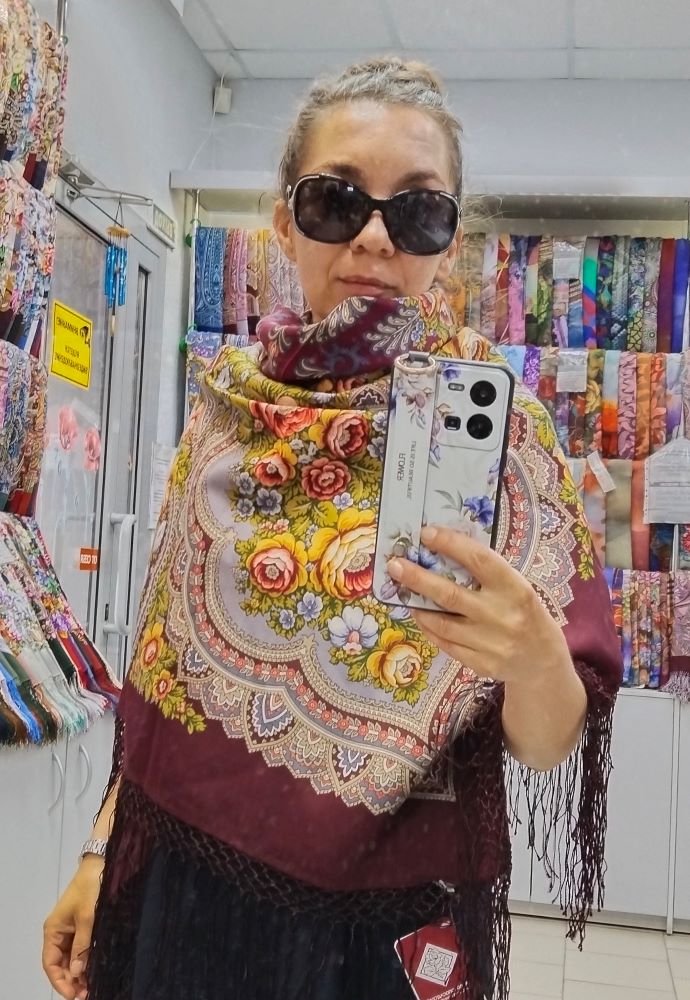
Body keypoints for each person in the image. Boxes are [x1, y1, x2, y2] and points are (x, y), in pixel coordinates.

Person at [43, 57, 622, 1000]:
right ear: (284, 221)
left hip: (388, 925)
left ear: (450, 243)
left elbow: (548, 741)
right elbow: (164, 679)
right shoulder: (223, 418)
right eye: (335, 201)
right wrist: (100, 853)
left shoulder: (509, 443)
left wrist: (533, 658)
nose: (374, 238)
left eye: (418, 211)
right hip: (189, 895)